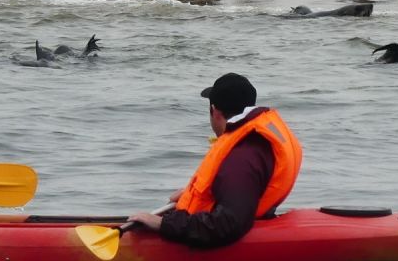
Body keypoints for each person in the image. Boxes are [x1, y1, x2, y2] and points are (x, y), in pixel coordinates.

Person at [127, 73, 303, 248]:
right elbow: (243, 193)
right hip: (254, 216)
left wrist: (162, 224)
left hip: (229, 243)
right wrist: (199, 195)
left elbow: (228, 224)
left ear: (215, 111)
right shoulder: (253, 142)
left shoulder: (241, 157)